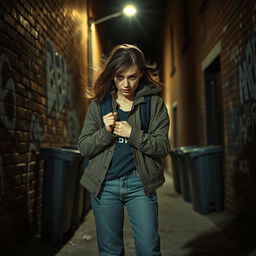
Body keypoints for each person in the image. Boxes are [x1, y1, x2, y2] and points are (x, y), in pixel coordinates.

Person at [77, 43, 171, 256]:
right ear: (112, 76)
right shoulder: (99, 105)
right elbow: (84, 147)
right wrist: (106, 132)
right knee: (111, 252)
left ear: (141, 75)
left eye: (132, 77)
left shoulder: (153, 104)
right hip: (105, 186)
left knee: (149, 250)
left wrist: (133, 134)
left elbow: (163, 146)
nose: (126, 84)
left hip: (140, 185)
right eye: (120, 77)